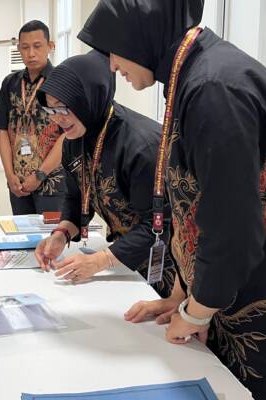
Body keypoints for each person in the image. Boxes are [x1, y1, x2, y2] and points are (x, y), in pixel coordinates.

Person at [78, 1, 266, 398]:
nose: (112, 67)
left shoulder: (214, 88)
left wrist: (197, 311)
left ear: (140, 33)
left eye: (112, 50)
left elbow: (231, 224)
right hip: (236, 291)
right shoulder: (195, 76)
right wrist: (180, 296)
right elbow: (193, 204)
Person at [33, 51, 178, 299]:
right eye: (51, 110)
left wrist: (101, 260)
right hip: (125, 261)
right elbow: (76, 199)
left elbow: (159, 225)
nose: (57, 119)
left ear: (87, 99)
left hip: (168, 268)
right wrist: (61, 233)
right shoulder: (74, 140)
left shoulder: (140, 147)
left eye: (63, 108)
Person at [0, 20, 65, 215]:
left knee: (52, 238)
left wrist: (40, 175)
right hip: (18, 185)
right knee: (22, 238)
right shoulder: (10, 83)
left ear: (50, 46)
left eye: (37, 46)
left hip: (52, 183)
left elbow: (68, 135)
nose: (31, 53)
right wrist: (9, 175)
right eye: (25, 47)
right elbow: (3, 130)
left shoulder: (62, 82)